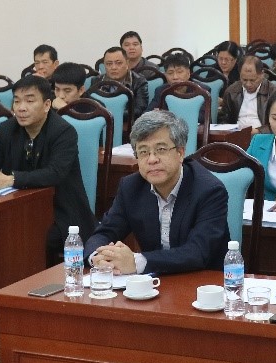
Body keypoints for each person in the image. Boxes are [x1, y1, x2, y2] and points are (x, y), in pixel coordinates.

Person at [85, 110, 230, 274]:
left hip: (204, 282)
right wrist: (98, 256)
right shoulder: (131, 187)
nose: (152, 159)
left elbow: (198, 252)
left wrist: (136, 262)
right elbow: (105, 232)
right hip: (154, 282)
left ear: (180, 153)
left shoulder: (209, 190)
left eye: (161, 149)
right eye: (143, 152)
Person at [0, 76, 97, 264]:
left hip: (61, 212)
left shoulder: (63, 131)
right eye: (16, 101)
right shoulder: (6, 129)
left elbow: (55, 173)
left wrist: (11, 179)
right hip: (17, 210)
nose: (21, 108)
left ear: (47, 105)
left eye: (30, 101)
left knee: (25, 237)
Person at [90, 46, 150, 120]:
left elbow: (139, 110)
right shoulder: (96, 81)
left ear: (127, 63)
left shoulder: (139, 81)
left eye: (118, 63)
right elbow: (90, 107)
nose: (113, 67)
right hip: (101, 123)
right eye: (109, 64)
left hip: (128, 123)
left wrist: (111, 115)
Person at [219, 56, 275, 128]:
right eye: (244, 80)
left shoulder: (274, 92)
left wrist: (259, 131)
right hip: (237, 132)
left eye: (252, 80)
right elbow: (223, 119)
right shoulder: (231, 91)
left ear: (262, 75)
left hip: (262, 133)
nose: (248, 84)